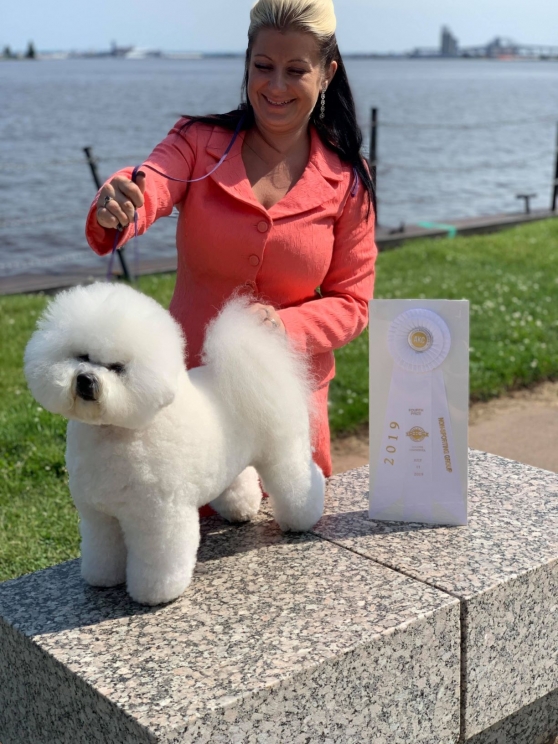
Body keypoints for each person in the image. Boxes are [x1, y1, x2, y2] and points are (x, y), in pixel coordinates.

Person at [85, 0, 377, 479]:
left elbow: (353, 303)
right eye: (263, 66)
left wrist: (286, 326)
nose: (275, 86)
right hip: (190, 401)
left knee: (293, 521)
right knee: (180, 521)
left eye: (295, 70)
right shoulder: (197, 141)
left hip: (291, 407)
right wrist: (121, 201)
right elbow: (153, 181)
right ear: (247, 63)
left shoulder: (349, 178)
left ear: (327, 74)